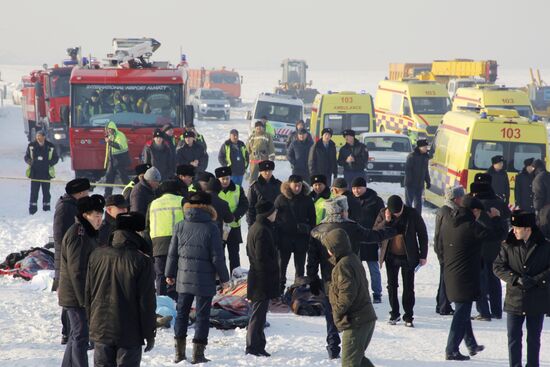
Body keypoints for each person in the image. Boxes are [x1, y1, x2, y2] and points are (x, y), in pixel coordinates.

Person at [308, 196, 396, 359]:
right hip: (350, 275)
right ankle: (352, 344)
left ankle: (333, 344)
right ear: (342, 211)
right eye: (346, 209)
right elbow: (373, 236)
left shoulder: (317, 230)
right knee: (352, 309)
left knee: (331, 312)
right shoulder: (352, 227)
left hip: (329, 281)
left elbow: (311, 259)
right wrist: (392, 228)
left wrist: (312, 278)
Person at [165, 191, 230, 364]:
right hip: (205, 279)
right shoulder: (212, 227)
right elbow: (218, 257)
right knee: (202, 316)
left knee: (181, 314)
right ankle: (198, 355)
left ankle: (179, 354)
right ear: (209, 207)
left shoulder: (180, 225)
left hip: (183, 277)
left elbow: (172, 254)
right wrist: (225, 278)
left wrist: (169, 274)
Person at [86, 212, 156, 366]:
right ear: (137, 232)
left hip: (100, 327)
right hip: (129, 331)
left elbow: (89, 294)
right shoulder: (142, 260)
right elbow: (147, 301)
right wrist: (149, 332)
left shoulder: (96, 255)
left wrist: (91, 324)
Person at [441, 194, 505, 360]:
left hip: (451, 273)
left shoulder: (450, 221)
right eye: (479, 212)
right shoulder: (471, 226)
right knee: (461, 312)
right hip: (465, 276)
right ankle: (451, 349)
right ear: (474, 210)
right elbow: (496, 236)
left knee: (463, 310)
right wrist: (497, 218)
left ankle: (471, 344)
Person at [494, 211, 550, 367]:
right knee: (513, 337)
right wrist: (515, 278)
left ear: (528, 229)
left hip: (536, 300)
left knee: (533, 338)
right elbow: (498, 266)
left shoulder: (545, 246)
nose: (514, 230)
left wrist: (535, 280)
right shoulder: (508, 244)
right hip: (514, 300)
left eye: (517, 228)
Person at [58, 194, 104, 367]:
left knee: (76, 334)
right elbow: (77, 271)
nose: (100, 220)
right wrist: (84, 300)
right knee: (81, 335)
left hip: (79, 294)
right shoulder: (79, 234)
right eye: (96, 216)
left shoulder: (88, 233)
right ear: (86, 215)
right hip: (75, 295)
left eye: (101, 216)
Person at [323, 229, 377, 367]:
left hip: (356, 321)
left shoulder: (343, 265)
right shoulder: (352, 258)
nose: (327, 251)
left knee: (349, 363)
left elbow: (347, 294)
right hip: (365, 318)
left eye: (328, 248)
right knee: (358, 359)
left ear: (334, 248)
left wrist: (337, 311)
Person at [374, 195, 428, 327]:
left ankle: (408, 315)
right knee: (392, 286)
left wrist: (423, 255)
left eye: (399, 211)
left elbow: (422, 233)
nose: (397, 214)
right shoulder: (383, 213)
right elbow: (375, 231)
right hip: (390, 256)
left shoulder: (412, 213)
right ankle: (394, 313)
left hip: (408, 255)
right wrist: (386, 221)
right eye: (394, 212)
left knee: (409, 287)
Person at [53, 178, 91, 344]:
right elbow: (60, 236)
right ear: (80, 192)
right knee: (69, 296)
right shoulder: (65, 208)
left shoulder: (72, 205)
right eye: (87, 192)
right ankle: (67, 332)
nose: (88, 194)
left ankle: (72, 331)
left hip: (73, 255)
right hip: (67, 258)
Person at [470, 175, 510, 321]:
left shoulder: (477, 205)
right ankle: (497, 310)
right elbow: (506, 224)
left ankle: (483, 311)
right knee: (494, 280)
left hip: (481, 248)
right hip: (497, 248)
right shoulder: (500, 203)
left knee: (480, 280)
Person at [246, 200, 279, 357]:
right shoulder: (262, 230)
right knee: (258, 316)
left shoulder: (257, 227)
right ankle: (253, 346)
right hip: (261, 279)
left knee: (260, 315)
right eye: (274, 211)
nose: (276, 214)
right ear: (268, 214)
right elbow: (261, 258)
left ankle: (258, 345)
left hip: (259, 277)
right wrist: (272, 269)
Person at [274, 174, 316, 293]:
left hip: (301, 239)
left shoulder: (307, 199)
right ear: (289, 185)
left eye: (299, 186)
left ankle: (298, 291)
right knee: (281, 267)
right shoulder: (281, 199)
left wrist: (307, 228)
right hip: (284, 239)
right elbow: (275, 220)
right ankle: (279, 290)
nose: (297, 188)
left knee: (300, 268)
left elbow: (313, 219)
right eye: (295, 186)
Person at [146, 179, 184, 300]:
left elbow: (147, 226)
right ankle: (176, 301)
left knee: (161, 275)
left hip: (158, 244)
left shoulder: (153, 203)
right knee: (178, 273)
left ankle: (161, 302)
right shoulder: (182, 200)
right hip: (179, 243)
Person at [351, 177, 385, 303]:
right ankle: (358, 292)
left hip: (371, 239)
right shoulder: (350, 200)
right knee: (356, 268)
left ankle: (377, 293)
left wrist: (377, 234)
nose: (356, 191)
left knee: (373, 268)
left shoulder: (376, 200)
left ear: (365, 187)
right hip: (356, 239)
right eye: (354, 188)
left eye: (359, 188)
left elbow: (382, 219)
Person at [433, 186, 465, 316]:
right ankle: (444, 306)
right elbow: (440, 235)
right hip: (447, 251)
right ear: (456, 198)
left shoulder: (446, 210)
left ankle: (441, 304)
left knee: (444, 278)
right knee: (446, 279)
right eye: (461, 197)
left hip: (445, 250)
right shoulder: (448, 212)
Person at [215, 166, 249, 273]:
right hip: (218, 228)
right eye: (222, 179)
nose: (225, 181)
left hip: (233, 227)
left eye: (227, 178)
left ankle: (236, 276)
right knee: (219, 254)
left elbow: (244, 204)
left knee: (234, 254)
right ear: (218, 179)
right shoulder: (213, 191)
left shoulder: (238, 189)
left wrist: (235, 216)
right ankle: (222, 278)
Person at [24, 130, 59, 214]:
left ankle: (46, 210)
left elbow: (56, 158)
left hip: (46, 173)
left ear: (44, 137)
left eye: (40, 136)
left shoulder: (50, 146)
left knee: (46, 192)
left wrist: (50, 163)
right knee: (34, 193)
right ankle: (32, 210)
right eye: (37, 137)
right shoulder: (31, 146)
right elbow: (26, 157)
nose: (38, 138)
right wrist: (31, 162)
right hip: (35, 173)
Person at [246, 160, 282, 226]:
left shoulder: (278, 185)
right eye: (265, 171)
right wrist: (251, 225)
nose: (268, 173)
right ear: (260, 172)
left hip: (276, 222)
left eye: (269, 171)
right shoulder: (255, 186)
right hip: (260, 223)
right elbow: (250, 208)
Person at [103, 121, 130, 197]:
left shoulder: (120, 135)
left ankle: (130, 192)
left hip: (120, 161)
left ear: (113, 129)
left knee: (124, 178)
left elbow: (120, 146)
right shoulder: (110, 136)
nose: (108, 131)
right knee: (109, 177)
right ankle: (107, 195)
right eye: (107, 129)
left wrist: (109, 142)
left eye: (109, 129)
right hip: (112, 161)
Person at [404, 139, 431, 214]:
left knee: (418, 204)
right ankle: (407, 218)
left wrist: (428, 181)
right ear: (420, 147)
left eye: (426, 147)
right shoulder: (412, 156)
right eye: (425, 147)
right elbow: (408, 169)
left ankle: (418, 218)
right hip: (410, 184)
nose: (426, 148)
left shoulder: (425, 157)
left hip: (420, 185)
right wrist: (408, 181)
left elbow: (426, 171)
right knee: (409, 203)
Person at [531, 159, 550, 234]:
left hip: (544, 208)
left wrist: (537, 209)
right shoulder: (548, 175)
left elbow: (538, 196)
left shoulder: (538, 178)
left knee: (543, 228)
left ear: (536, 167)